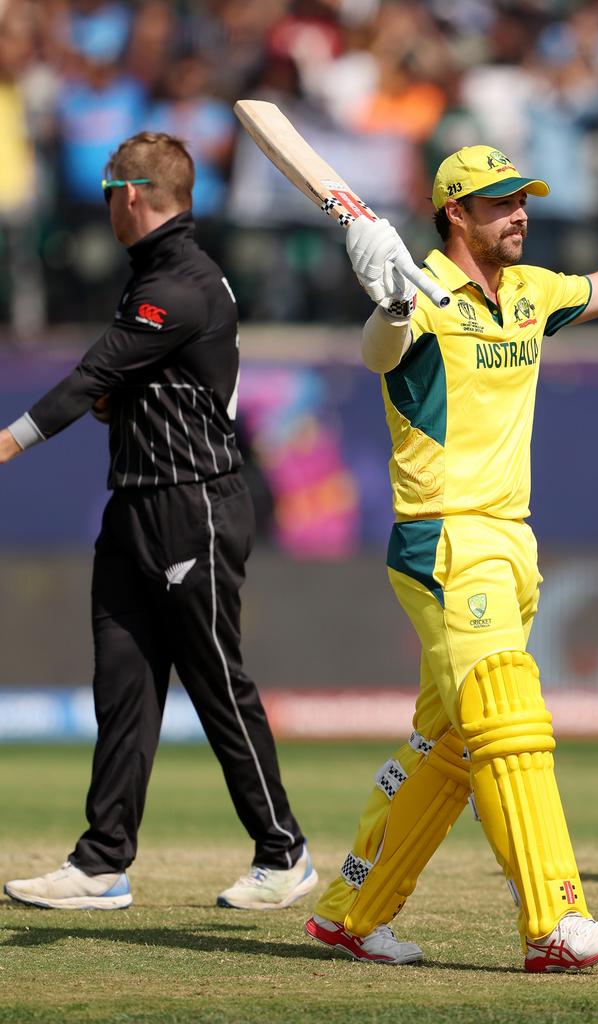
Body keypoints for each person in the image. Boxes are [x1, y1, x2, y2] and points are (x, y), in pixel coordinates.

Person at [304, 110, 598, 970]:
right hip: (445, 540)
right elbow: (380, 353)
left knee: (451, 744)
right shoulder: (422, 296)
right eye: (500, 205)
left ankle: (350, 914)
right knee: (511, 720)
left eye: (522, 201)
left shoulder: (528, 293)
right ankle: (555, 923)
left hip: (510, 544)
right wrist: (394, 301)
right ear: (456, 215)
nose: (519, 215)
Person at [1, 132, 317, 913]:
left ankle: (285, 853)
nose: (106, 204)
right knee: (124, 686)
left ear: (133, 194)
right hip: (136, 504)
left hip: (192, 506)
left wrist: (7, 442)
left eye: (111, 191)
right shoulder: (156, 275)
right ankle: (102, 862)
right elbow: (132, 383)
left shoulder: (178, 283)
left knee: (215, 684)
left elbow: (92, 376)